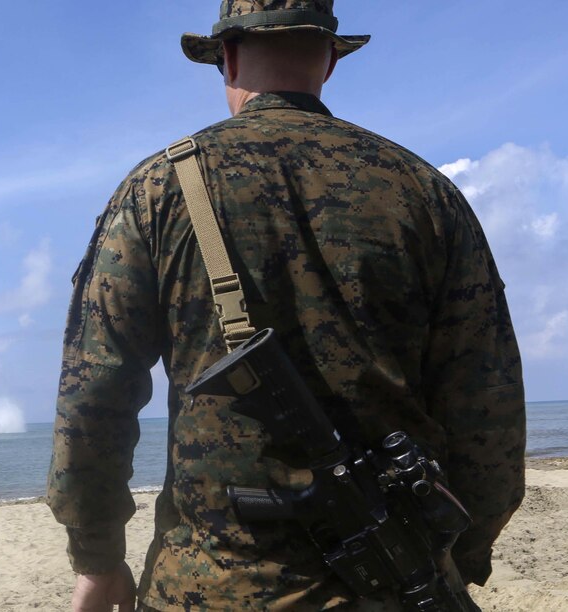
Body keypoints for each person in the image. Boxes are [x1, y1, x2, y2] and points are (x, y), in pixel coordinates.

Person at [46, 1, 526, 610]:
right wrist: (457, 551)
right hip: (399, 585)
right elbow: (490, 413)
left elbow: (94, 395)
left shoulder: (157, 192)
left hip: (209, 588)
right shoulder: (425, 194)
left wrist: (96, 558)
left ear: (228, 56)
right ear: (328, 59)